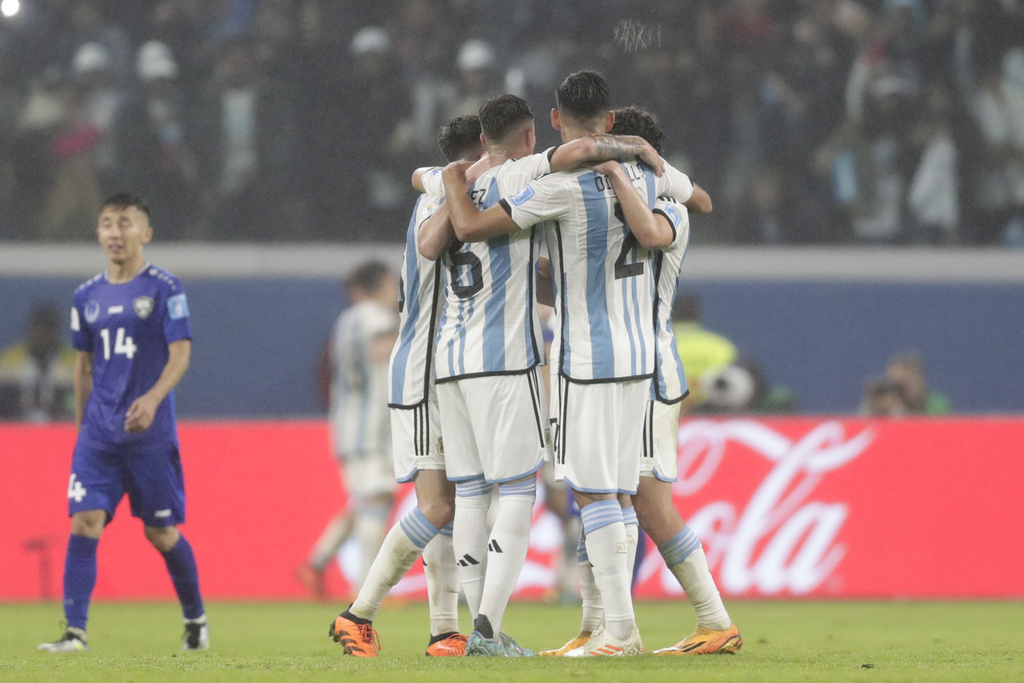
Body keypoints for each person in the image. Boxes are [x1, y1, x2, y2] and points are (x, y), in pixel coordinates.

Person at [440, 70, 696, 657]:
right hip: (644, 357)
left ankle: (619, 631)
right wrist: (637, 149)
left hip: (588, 356)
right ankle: (601, 626)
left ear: (554, 120)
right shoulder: (655, 180)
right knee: (619, 492)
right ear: (611, 120)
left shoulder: (558, 186)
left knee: (592, 493)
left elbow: (471, 226)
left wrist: (454, 180)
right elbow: (699, 199)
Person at [541, 105, 741, 658]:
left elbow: (660, 228)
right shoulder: (621, 207)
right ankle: (597, 627)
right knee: (607, 493)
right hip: (620, 366)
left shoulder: (664, 208)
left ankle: (709, 621)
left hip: (646, 371)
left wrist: (613, 172)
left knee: (642, 501)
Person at [328, 115, 485, 658]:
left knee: (448, 503)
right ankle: (358, 614)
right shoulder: (445, 197)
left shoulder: (446, 188)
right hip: (422, 371)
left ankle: (443, 631)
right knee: (437, 504)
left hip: (442, 368)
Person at [38, 193, 207, 653]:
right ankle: (75, 633)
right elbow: (83, 365)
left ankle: (195, 619)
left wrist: (152, 399)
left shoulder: (165, 288)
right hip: (99, 436)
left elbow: (181, 354)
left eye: (125, 223)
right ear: (99, 233)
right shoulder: (85, 295)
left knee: (160, 532)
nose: (116, 232)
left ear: (145, 233)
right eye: (108, 223)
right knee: (84, 521)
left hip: (149, 436)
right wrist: (82, 430)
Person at [298, 261, 399, 603]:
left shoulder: (346, 321)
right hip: (370, 429)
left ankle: (317, 561)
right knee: (376, 500)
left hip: (351, 425)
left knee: (367, 500)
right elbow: (379, 348)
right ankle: (366, 591)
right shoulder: (375, 318)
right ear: (383, 283)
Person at [0, 303, 76, 421]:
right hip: (16, 422)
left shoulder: (73, 361)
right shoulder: (9, 360)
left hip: (61, 423)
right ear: (31, 328)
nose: (43, 334)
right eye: (39, 328)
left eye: (49, 329)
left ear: (57, 331)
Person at [671, 293, 738, 409]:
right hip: (712, 410)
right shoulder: (721, 346)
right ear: (698, 314)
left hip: (669, 409)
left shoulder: (660, 345)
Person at [861, 351, 951, 416]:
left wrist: (899, 413)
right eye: (893, 386)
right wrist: (872, 407)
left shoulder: (936, 404)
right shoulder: (882, 402)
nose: (898, 391)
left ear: (919, 380)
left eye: (902, 386)